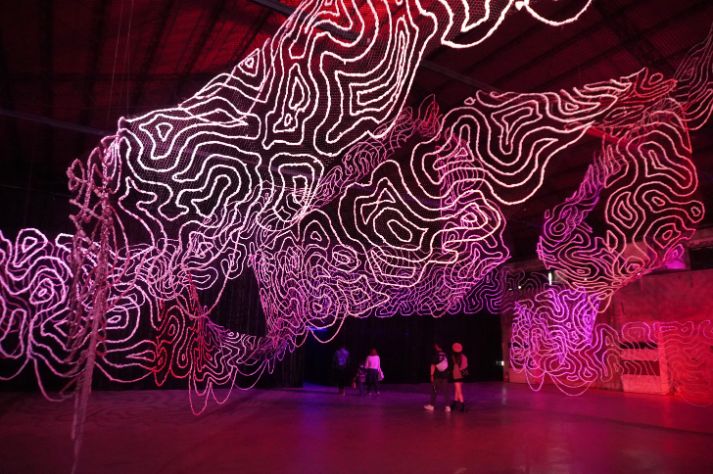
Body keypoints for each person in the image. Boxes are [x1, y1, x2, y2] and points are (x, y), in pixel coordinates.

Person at [424, 343, 450, 412]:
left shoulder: (436, 355)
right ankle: (448, 406)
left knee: (434, 390)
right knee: (446, 391)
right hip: (445, 376)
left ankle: (431, 406)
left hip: (437, 376)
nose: (435, 347)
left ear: (437, 347)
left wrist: (431, 375)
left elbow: (433, 365)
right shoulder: (446, 355)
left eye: (436, 346)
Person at [450, 342, 469, 412]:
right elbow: (466, 365)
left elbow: (452, 366)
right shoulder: (464, 356)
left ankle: (462, 405)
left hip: (456, 375)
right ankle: (454, 404)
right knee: (457, 390)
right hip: (462, 375)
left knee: (459, 391)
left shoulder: (453, 357)